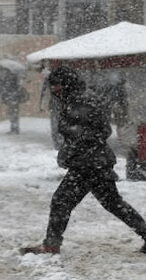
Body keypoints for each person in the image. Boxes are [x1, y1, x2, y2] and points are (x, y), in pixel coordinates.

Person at [21, 66, 146, 255]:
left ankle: (51, 245)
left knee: (61, 201)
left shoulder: (81, 100)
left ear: (65, 84)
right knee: (113, 203)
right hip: (94, 161)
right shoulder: (77, 98)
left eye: (55, 85)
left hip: (88, 163)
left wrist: (73, 147)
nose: (53, 90)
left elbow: (99, 131)